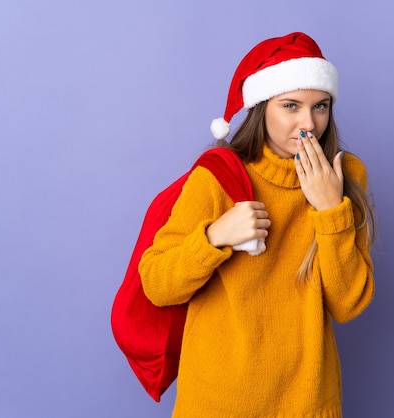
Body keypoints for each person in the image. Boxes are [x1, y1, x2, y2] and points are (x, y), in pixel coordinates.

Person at [138, 31, 375, 417]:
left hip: (307, 402)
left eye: (321, 106)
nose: (308, 123)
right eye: (291, 105)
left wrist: (331, 211)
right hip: (218, 403)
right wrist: (215, 237)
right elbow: (157, 283)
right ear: (262, 106)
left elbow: (348, 304)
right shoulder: (218, 177)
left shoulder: (346, 175)